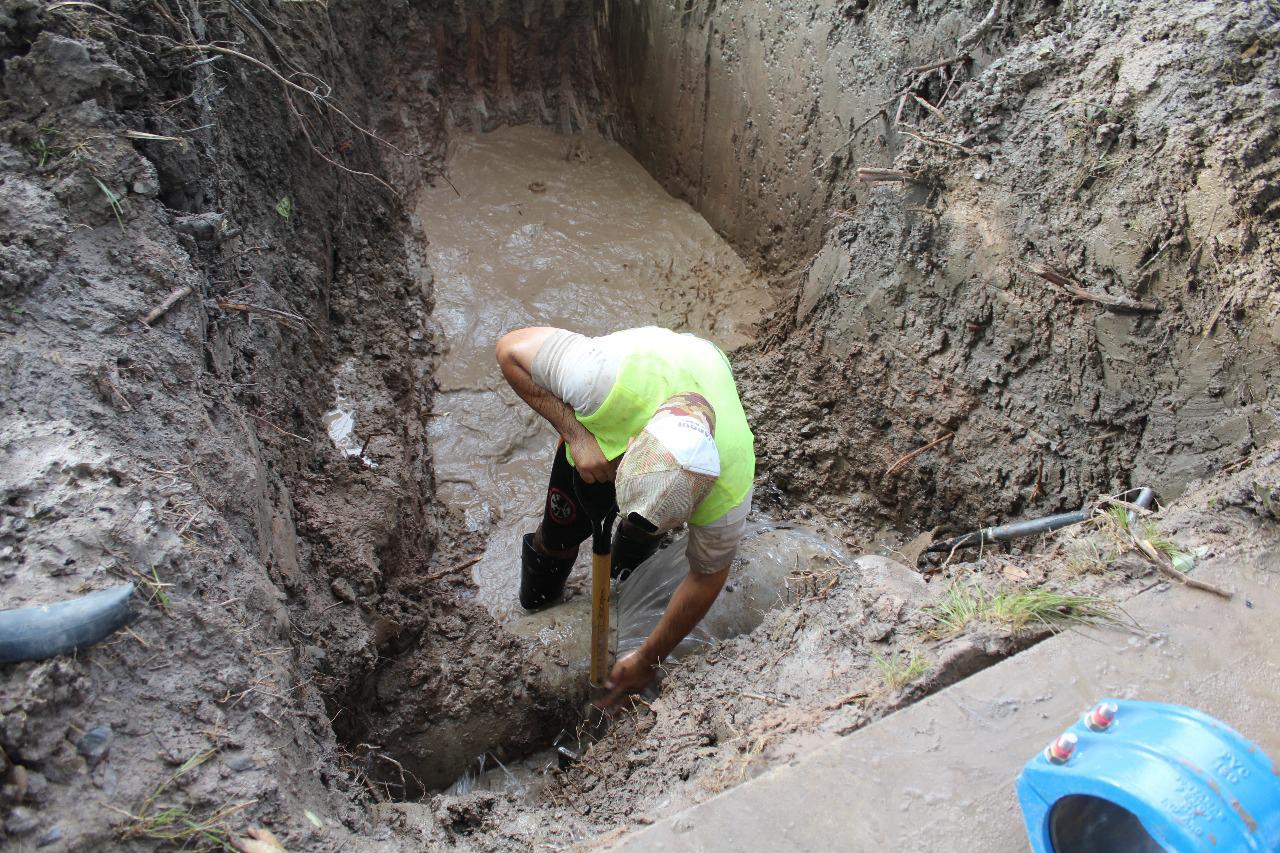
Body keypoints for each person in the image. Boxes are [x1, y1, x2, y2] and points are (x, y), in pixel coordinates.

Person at [495, 326, 755, 705]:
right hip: (602, 427)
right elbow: (509, 350)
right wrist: (577, 436)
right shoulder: (597, 378)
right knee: (559, 536)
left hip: (703, 368)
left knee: (641, 532)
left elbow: (706, 578)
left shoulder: (730, 494)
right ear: (630, 442)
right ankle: (537, 603)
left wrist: (648, 659)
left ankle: (625, 571)